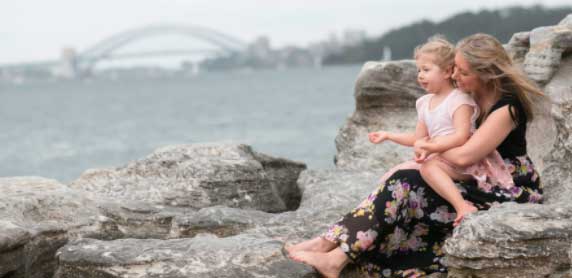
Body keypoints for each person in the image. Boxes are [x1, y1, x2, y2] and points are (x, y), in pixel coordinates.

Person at [285, 33, 544, 278]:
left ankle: (334, 255)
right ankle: (328, 245)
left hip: (507, 185)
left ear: (486, 74)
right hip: (475, 174)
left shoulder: (507, 107)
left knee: (406, 182)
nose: (455, 75)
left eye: (463, 72)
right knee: (402, 178)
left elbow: (465, 156)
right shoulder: (470, 93)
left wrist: (431, 145)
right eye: (454, 68)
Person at [369, 36, 514, 227]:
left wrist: (432, 146)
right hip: (439, 156)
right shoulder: (423, 103)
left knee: (428, 168)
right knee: (393, 173)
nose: (420, 75)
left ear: (447, 71)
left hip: (465, 162)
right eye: (419, 70)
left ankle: (462, 206)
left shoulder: (459, 100)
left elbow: (462, 136)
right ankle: (374, 215)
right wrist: (389, 135)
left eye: (426, 70)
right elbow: (419, 139)